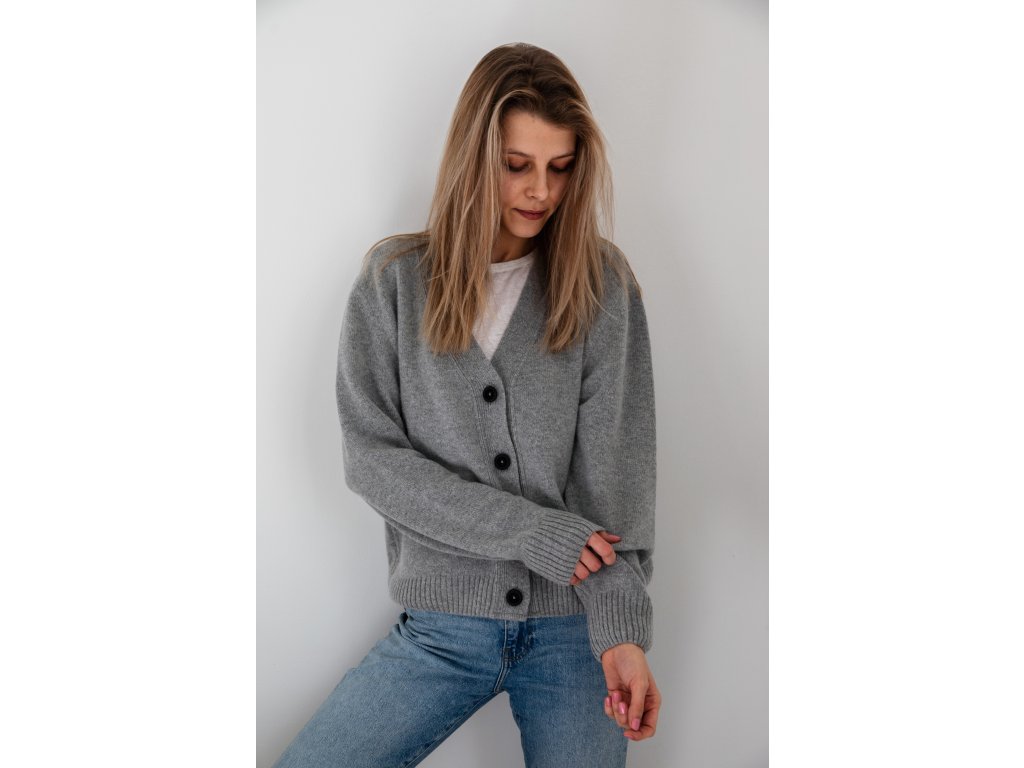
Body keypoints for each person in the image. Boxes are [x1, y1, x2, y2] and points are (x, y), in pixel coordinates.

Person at [272, 42, 661, 768]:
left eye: (560, 166)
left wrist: (622, 635)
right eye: (517, 164)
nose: (540, 190)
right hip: (443, 629)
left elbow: (617, 486)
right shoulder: (395, 282)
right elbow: (373, 462)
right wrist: (531, 531)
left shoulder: (601, 285)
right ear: (473, 157)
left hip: (575, 633)